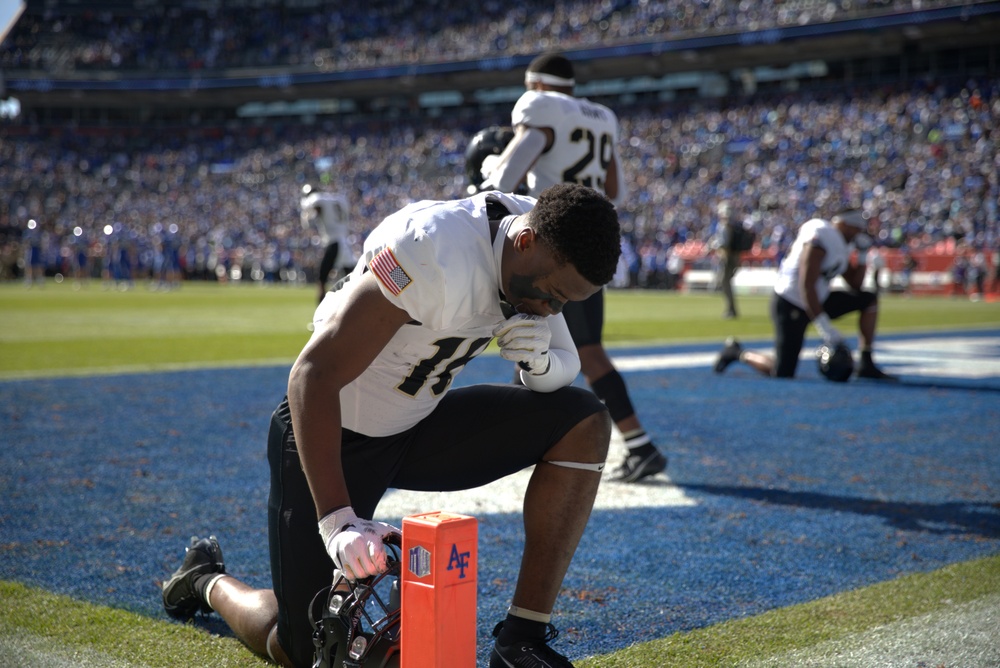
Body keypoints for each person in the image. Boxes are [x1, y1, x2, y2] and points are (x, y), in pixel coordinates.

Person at [161, 184, 623, 668]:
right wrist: (337, 519)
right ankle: (206, 580)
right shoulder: (430, 248)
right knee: (301, 647)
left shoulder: (543, 236)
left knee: (586, 421)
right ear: (524, 243)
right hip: (334, 432)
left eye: (565, 302)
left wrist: (540, 364)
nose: (553, 311)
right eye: (552, 296)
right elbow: (312, 375)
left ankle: (522, 639)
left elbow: (565, 361)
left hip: (419, 423)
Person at [478, 51, 667, 483]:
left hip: (551, 247)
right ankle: (632, 443)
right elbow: (615, 188)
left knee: (542, 338)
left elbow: (506, 175)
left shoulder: (540, 108)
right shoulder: (603, 116)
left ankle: (514, 443)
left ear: (536, 85)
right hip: (592, 242)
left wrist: (488, 179)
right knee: (567, 344)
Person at [714, 210, 895, 381]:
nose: (859, 234)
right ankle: (737, 352)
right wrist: (825, 327)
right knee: (782, 371)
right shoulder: (822, 233)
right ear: (845, 224)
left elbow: (855, 284)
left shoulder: (841, 244)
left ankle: (866, 360)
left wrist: (863, 255)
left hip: (817, 300)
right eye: (857, 228)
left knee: (868, 299)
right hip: (791, 302)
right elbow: (806, 284)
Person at [301, 186, 356, 304]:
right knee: (353, 281)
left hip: (334, 243)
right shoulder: (339, 198)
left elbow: (308, 204)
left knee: (321, 280)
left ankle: (320, 317)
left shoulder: (318, 199)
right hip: (345, 244)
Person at [712, 200, 754, 319]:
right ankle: (731, 309)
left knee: (725, 284)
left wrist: (715, 246)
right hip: (734, 257)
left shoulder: (725, 225)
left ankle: (731, 309)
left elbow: (724, 243)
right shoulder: (734, 225)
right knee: (726, 283)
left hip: (727, 257)